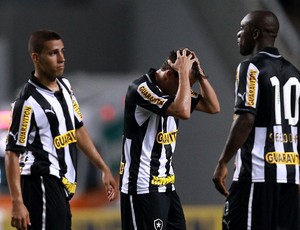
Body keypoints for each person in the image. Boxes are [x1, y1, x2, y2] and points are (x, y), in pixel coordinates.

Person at [5, 29, 118, 230]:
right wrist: (17, 203)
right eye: (53, 53)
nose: (61, 58)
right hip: (41, 183)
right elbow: (12, 154)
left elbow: (78, 130)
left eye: (62, 51)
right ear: (36, 58)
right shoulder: (27, 102)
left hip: (61, 187)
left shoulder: (65, 88)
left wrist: (103, 167)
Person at [212, 10, 300, 230]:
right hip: (290, 178)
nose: (238, 34)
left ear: (255, 33)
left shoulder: (250, 68)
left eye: (243, 28)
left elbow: (246, 119)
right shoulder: (295, 74)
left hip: (257, 176)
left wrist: (223, 161)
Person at [119, 48, 220, 230]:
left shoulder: (176, 89)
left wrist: (200, 73)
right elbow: (182, 112)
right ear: (168, 74)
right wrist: (183, 74)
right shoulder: (141, 88)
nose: (186, 90)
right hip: (142, 186)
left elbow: (213, 107)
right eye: (185, 83)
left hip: (166, 185)